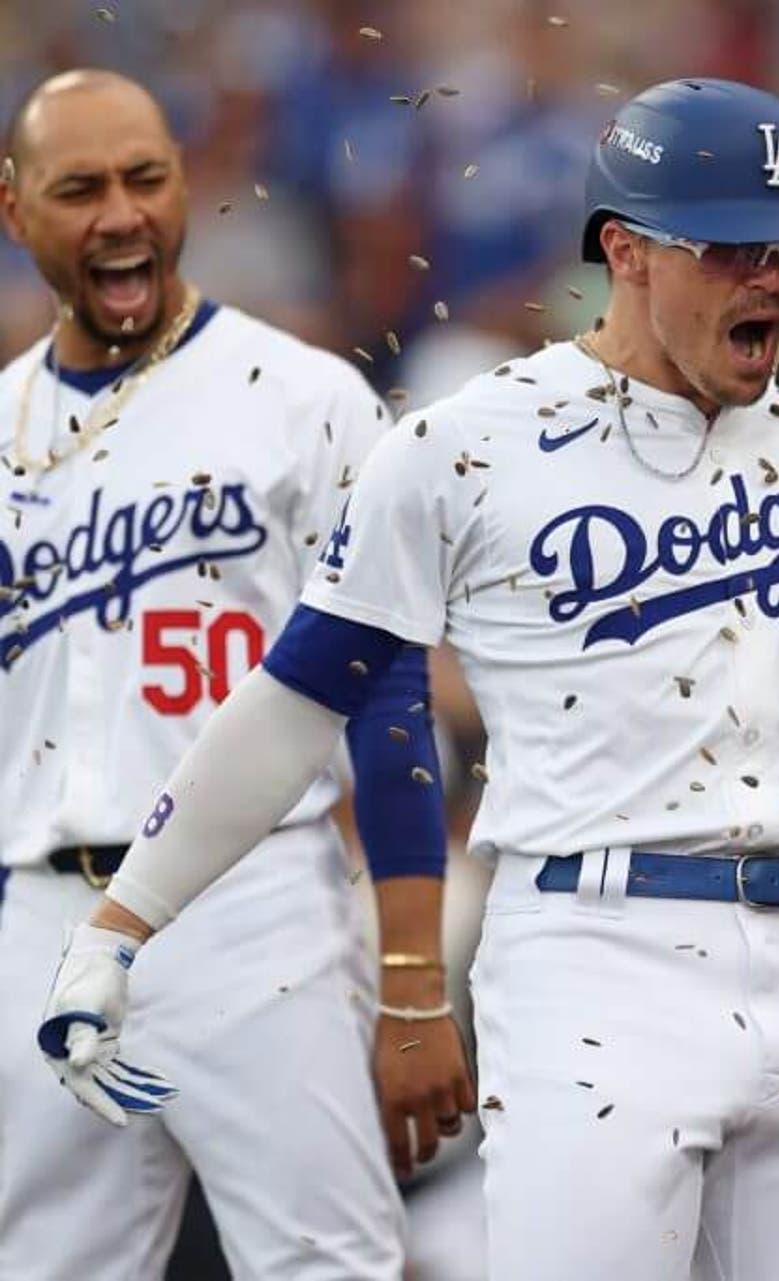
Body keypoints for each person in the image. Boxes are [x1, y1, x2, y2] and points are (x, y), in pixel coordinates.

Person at [35, 78, 779, 1280]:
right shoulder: (465, 442)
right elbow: (296, 699)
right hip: (597, 953)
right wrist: (123, 920)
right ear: (625, 251)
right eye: (731, 247)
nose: (771, 280)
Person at [0, 70, 468, 1279]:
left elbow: (391, 697)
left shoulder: (304, 399)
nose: (120, 213)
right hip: (41, 917)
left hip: (255, 906)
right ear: (16, 211)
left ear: (185, 186)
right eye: (80, 187)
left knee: (328, 1266)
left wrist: (412, 974)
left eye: (145, 179)